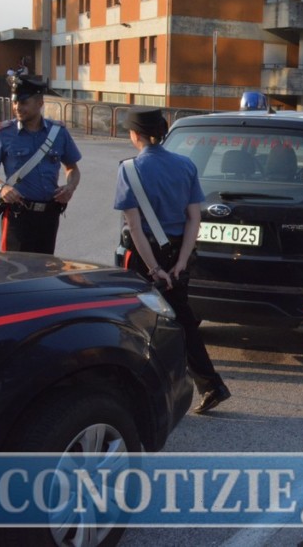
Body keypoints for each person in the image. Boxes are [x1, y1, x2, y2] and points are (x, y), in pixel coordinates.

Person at [113, 107, 231, 415]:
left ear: (135, 135)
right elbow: (194, 218)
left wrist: (153, 268)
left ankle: (155, 392)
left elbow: (135, 227)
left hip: (146, 256)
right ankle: (208, 384)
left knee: (139, 323)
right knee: (181, 319)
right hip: (180, 252)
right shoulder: (186, 165)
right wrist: (179, 263)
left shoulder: (129, 170)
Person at [0, 76, 82, 254]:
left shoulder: (58, 132)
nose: (17, 107)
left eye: (24, 102)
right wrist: (2, 188)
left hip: (49, 215)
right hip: (18, 215)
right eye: (15, 102)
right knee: (13, 272)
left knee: (45, 270)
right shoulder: (2, 133)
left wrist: (70, 187)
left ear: (39, 103)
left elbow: (72, 168)